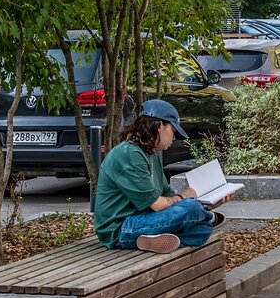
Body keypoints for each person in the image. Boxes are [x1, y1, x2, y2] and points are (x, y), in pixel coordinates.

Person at [93, 99, 232, 253]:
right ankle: (206, 217)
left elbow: (168, 196)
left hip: (144, 219)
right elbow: (158, 205)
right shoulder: (129, 153)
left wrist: (208, 204)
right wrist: (187, 198)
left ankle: (148, 240)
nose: (174, 138)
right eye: (174, 130)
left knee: (203, 228)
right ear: (159, 125)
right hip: (120, 228)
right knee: (191, 207)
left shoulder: (150, 154)